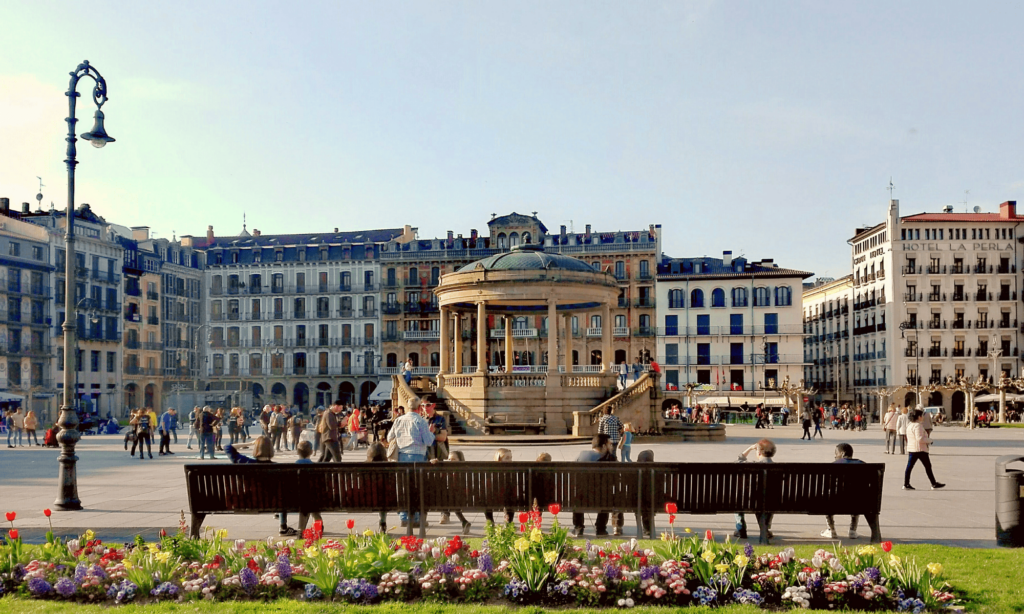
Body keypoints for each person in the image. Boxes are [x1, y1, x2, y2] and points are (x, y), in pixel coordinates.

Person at [225, 436, 297, 535]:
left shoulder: (245, 462)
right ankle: (283, 526)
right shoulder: (279, 468)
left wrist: (250, 443)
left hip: (248, 502)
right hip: (274, 503)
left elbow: (228, 447)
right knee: (282, 495)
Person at [391, 401, 434, 527]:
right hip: (418, 456)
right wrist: (431, 432)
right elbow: (428, 441)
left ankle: (404, 517)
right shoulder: (421, 421)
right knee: (417, 487)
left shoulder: (399, 420)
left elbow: (389, 437)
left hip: (402, 456)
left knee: (404, 487)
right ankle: (415, 518)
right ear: (420, 408)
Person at [571, 434, 618, 537]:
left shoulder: (582, 455)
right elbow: (616, 480)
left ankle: (578, 527)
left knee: (578, 495)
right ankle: (601, 528)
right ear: (604, 446)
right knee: (607, 494)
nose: (612, 446)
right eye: (610, 444)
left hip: (582, 497)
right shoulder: (611, 458)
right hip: (603, 498)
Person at [821, 443, 865, 539]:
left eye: (836, 453)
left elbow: (826, 486)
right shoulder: (862, 464)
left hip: (835, 501)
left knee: (827, 497)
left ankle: (831, 529)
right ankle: (853, 530)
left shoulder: (833, 466)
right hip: (858, 502)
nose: (835, 456)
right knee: (857, 496)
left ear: (842, 453)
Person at [734, 438, 776, 539]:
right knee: (770, 500)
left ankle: (741, 528)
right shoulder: (778, 467)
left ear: (759, 453)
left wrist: (750, 448)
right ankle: (765, 528)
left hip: (750, 501)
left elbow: (738, 461)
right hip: (773, 502)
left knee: (738, 500)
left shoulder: (752, 465)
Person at [904, 409, 945, 491]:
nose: (923, 417)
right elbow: (919, 439)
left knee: (909, 467)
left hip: (912, 449)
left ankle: (906, 484)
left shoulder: (909, 425)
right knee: (928, 466)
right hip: (920, 449)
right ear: (919, 417)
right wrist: (930, 440)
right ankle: (933, 484)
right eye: (922, 415)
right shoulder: (917, 426)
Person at [437, 450, 472, 534]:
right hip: (452, 498)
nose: (450, 461)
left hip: (459, 497)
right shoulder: (448, 471)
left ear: (460, 460)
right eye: (448, 459)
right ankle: (463, 521)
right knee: (449, 497)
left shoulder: (460, 472)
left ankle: (446, 514)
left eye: (453, 459)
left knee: (450, 497)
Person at [294, 441, 323, 533]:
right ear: (311, 452)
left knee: (305, 501)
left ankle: (301, 530)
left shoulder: (292, 467)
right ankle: (318, 525)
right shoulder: (316, 467)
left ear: (298, 452)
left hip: (296, 498)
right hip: (314, 498)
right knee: (311, 498)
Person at [484, 448, 515, 526]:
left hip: (494, 499)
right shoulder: (512, 471)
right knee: (511, 500)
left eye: (511, 458)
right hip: (505, 499)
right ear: (499, 459)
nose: (510, 460)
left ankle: (491, 523)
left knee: (486, 503)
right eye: (507, 458)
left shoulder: (490, 471)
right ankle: (508, 523)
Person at [366, 441, 390, 533]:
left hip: (365, 499)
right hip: (385, 500)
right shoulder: (389, 468)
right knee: (383, 496)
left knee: (380, 495)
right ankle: (382, 522)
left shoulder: (362, 467)